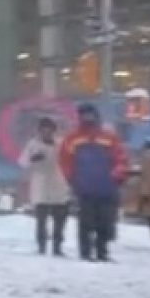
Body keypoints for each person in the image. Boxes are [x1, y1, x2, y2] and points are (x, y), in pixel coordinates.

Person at [61, 103, 128, 262]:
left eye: (90, 114)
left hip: (106, 187)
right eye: (84, 114)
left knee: (105, 222)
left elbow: (121, 158)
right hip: (84, 188)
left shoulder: (109, 137)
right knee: (86, 222)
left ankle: (102, 251)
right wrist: (72, 179)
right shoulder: (72, 138)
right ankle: (85, 252)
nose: (87, 117)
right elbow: (65, 161)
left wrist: (116, 175)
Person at [22, 118, 71, 256]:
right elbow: (23, 162)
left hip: (58, 184)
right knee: (41, 219)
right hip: (41, 184)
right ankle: (41, 246)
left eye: (49, 129)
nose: (47, 132)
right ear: (39, 130)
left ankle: (57, 246)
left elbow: (69, 159)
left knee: (60, 218)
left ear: (54, 131)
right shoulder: (33, 145)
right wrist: (33, 159)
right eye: (44, 129)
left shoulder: (61, 144)